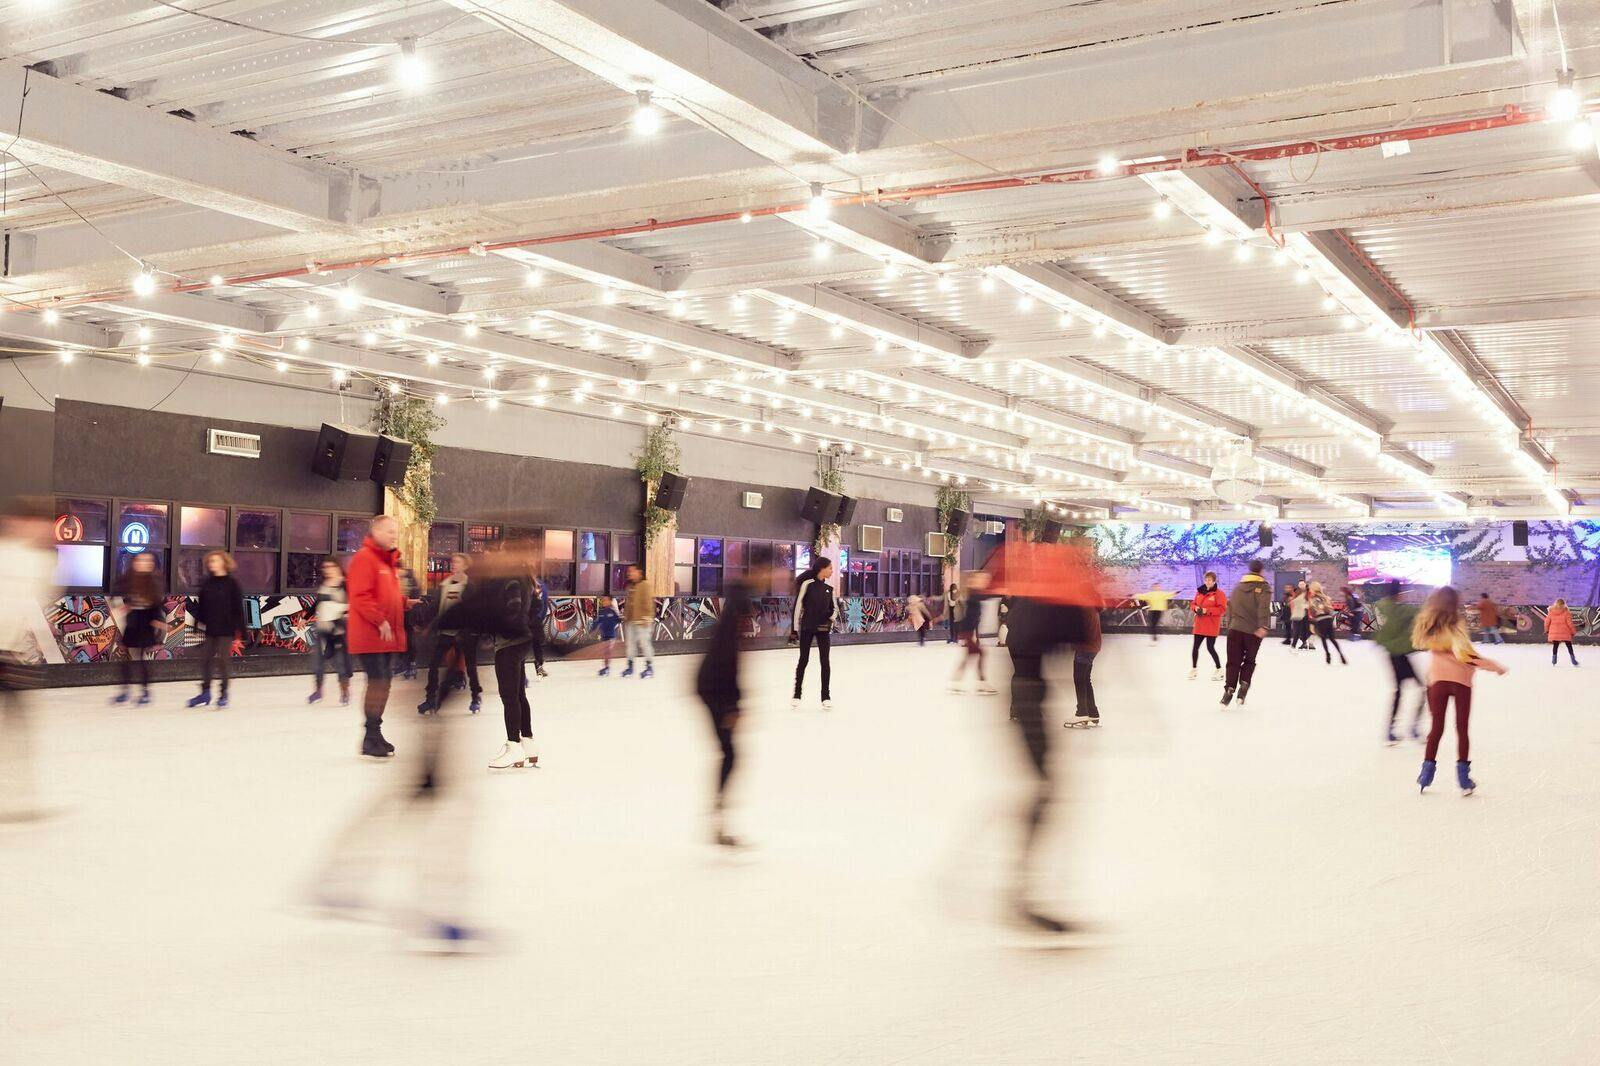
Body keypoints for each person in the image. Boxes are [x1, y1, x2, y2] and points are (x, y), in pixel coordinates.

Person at [695, 542, 774, 847]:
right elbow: (729, 654)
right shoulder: (740, 602)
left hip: (713, 683)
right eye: (771, 571)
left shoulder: (741, 598)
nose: (773, 577)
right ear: (760, 569)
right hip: (714, 685)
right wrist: (733, 703)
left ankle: (718, 818)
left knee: (730, 753)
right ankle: (717, 821)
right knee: (730, 753)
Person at [441, 540, 540, 769]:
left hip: (509, 642)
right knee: (518, 694)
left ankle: (513, 745)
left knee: (509, 696)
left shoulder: (512, 579)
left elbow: (512, 609)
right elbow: (530, 611)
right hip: (521, 640)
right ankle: (528, 743)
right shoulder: (525, 577)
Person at [1412, 586, 1507, 795]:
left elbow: (1420, 644)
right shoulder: (1455, 626)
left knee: (1436, 728)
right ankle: (1464, 779)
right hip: (1460, 682)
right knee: (1461, 728)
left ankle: (1426, 774)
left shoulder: (1429, 625)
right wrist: (1495, 666)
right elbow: (1466, 656)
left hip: (1436, 681)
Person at [0, 498, 57, 823]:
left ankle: (21, 794)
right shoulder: (10, 555)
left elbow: (26, 610)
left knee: (19, 727)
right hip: (7, 650)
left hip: (15, 655)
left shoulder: (39, 561)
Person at [346, 515, 407, 758]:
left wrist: (406, 602)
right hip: (371, 633)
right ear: (377, 532)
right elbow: (360, 595)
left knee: (383, 683)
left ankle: (374, 734)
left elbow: (386, 596)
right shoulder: (365, 557)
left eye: (396, 531)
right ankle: (370, 736)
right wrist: (379, 619)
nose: (394, 535)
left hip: (385, 634)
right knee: (378, 681)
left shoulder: (387, 562)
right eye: (390, 531)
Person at [418, 553, 481, 714]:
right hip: (446, 632)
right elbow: (437, 607)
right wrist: (427, 625)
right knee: (433, 665)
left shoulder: (470, 587)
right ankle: (430, 698)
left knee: (470, 666)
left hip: (464, 633)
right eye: (453, 562)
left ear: (465, 565)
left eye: (458, 562)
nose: (454, 564)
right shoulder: (445, 584)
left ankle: (475, 696)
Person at [187, 550, 247, 708]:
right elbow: (201, 606)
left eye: (216, 560)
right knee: (205, 661)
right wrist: (195, 624)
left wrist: (242, 629)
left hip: (226, 629)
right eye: (211, 561)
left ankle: (224, 694)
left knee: (223, 662)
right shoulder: (207, 582)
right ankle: (205, 693)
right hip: (211, 628)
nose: (212, 564)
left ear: (224, 563)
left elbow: (238, 607)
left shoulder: (232, 583)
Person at [1372, 582, 1425, 744]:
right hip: (1400, 655)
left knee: (1399, 691)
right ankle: (1413, 727)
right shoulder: (1402, 610)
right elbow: (1423, 613)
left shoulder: (1381, 607)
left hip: (1391, 654)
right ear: (1399, 594)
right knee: (1421, 689)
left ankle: (1391, 729)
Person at [112, 553, 165, 706]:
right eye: (141, 560)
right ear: (135, 563)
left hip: (146, 624)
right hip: (133, 623)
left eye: (148, 561)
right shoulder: (129, 579)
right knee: (126, 659)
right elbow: (116, 592)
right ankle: (125, 690)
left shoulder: (154, 581)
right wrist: (122, 605)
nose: (144, 563)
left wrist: (159, 622)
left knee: (141, 659)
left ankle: (145, 691)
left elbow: (156, 605)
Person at [1220, 560, 1271, 707]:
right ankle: (1244, 685)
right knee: (1249, 660)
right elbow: (1263, 608)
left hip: (1235, 629)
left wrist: (1230, 624)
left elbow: (1230, 607)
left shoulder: (1238, 587)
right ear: (1261, 571)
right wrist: (1263, 625)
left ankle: (1229, 689)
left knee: (1233, 661)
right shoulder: (1264, 587)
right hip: (1253, 631)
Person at [791, 556, 840, 709]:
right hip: (807, 627)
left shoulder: (829, 589)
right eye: (830, 568)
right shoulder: (807, 584)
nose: (832, 571)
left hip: (823, 629)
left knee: (825, 661)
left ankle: (826, 696)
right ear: (822, 568)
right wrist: (794, 629)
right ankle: (797, 694)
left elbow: (835, 609)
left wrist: (830, 616)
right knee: (803, 660)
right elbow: (798, 606)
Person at [308, 557, 351, 706]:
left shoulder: (344, 584)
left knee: (340, 663)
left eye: (330, 566)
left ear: (337, 567)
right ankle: (318, 691)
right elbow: (317, 603)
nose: (327, 570)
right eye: (325, 567)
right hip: (322, 628)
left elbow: (352, 604)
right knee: (318, 663)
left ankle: (344, 692)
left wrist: (343, 614)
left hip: (337, 630)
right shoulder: (324, 584)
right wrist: (305, 617)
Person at [949, 571, 995, 694]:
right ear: (974, 581)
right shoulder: (973, 594)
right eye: (982, 580)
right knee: (980, 653)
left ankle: (957, 682)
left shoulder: (975, 593)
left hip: (968, 630)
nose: (985, 582)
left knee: (971, 656)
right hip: (966, 630)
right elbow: (984, 596)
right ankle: (980, 683)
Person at [1064, 600, 1103, 727]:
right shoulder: (1092, 605)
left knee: (1079, 679)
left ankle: (1081, 712)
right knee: (1085, 679)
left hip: (1085, 648)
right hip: (1093, 646)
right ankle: (1092, 712)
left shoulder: (1083, 607)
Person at [1189, 571, 1226, 680]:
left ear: (1214, 581)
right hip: (1199, 625)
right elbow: (1193, 604)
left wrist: (1206, 610)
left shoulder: (1219, 594)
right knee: (1195, 647)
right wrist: (1195, 608)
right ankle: (1194, 669)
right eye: (1206, 580)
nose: (1207, 582)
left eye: (1210, 580)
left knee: (1210, 648)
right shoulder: (1199, 592)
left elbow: (1222, 609)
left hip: (1211, 625)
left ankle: (1219, 670)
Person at [621, 564, 655, 678]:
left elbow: (649, 603)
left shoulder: (645, 585)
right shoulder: (630, 586)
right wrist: (626, 618)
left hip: (642, 621)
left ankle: (649, 667)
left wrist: (648, 617)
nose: (629, 574)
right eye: (628, 572)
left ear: (639, 572)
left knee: (645, 644)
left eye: (632, 571)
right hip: (631, 621)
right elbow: (628, 604)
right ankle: (630, 667)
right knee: (630, 645)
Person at [1307, 581, 1347, 665]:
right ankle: (1341, 655)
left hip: (1321, 620)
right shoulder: (1325, 597)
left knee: (1323, 638)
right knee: (1332, 639)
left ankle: (1328, 655)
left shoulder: (1313, 599)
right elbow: (1330, 609)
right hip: (1328, 619)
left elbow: (1315, 611)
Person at [397, 565, 423, 681]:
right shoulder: (395, 581)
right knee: (401, 640)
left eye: (398, 569)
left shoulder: (411, 583)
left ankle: (411, 664)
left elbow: (416, 603)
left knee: (409, 640)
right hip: (398, 616)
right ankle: (404, 664)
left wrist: (416, 621)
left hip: (409, 616)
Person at [528, 573, 551, 680]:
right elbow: (544, 604)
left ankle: (539, 666)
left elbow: (544, 603)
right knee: (537, 644)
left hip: (531, 620)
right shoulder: (537, 585)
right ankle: (539, 666)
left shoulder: (539, 586)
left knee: (536, 644)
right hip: (532, 620)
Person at [592, 595, 622, 675]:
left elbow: (618, 620)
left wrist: (620, 619)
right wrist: (593, 629)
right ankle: (606, 667)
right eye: (603, 600)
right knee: (604, 652)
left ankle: (606, 668)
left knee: (607, 651)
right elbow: (597, 621)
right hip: (604, 635)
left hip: (611, 635)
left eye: (606, 600)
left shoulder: (613, 611)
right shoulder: (601, 612)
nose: (604, 602)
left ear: (610, 601)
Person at [1545, 598, 1579, 666]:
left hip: (1554, 632)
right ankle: (1573, 660)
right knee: (1569, 646)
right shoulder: (1566, 613)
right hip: (1565, 632)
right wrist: (1573, 631)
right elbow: (1570, 624)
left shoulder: (1551, 612)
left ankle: (1554, 660)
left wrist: (1546, 630)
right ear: (1564, 605)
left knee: (1555, 646)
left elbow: (1546, 622)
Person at [1289, 580, 1312, 650]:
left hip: (1307, 613)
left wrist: (1308, 606)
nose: (1301, 585)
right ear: (1298, 585)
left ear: (1305, 585)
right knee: (1298, 629)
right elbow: (1292, 603)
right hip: (1298, 613)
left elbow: (1312, 601)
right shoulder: (1296, 592)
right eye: (1300, 584)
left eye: (1303, 584)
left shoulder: (1309, 592)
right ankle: (1302, 643)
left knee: (1307, 629)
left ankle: (1308, 643)